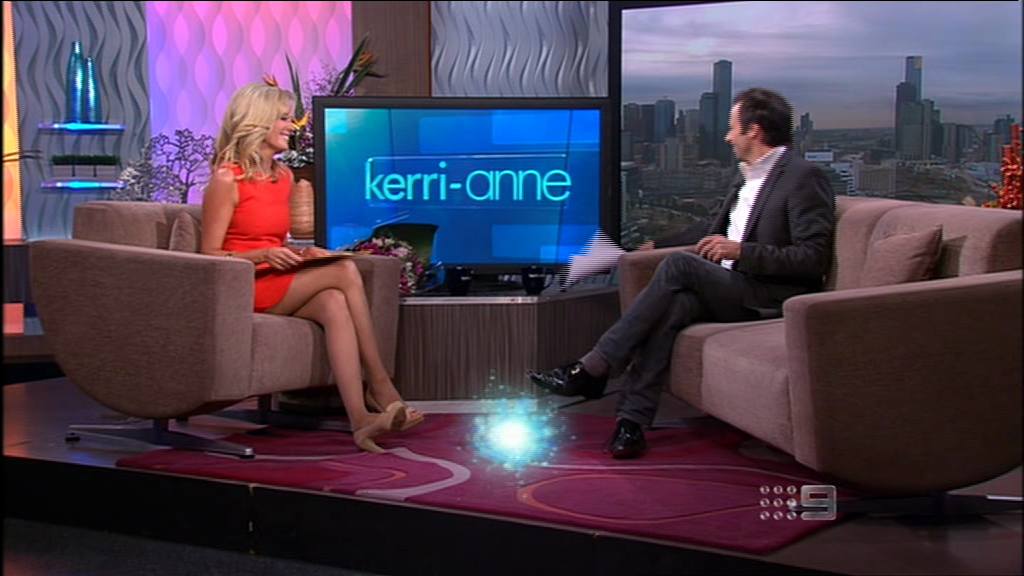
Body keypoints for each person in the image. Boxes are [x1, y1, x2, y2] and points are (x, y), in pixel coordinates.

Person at [529, 88, 834, 459]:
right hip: (731, 286)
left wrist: (742, 251)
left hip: (770, 295)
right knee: (676, 306)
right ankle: (630, 423)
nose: (727, 137)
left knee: (680, 265)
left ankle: (593, 367)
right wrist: (656, 244)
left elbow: (812, 259)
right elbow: (710, 228)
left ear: (753, 130)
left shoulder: (803, 177)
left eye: (732, 128)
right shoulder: (745, 177)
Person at [201, 83, 423, 453]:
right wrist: (263, 256)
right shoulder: (228, 178)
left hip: (275, 277)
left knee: (335, 301)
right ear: (258, 121)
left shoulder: (285, 177)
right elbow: (207, 255)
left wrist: (302, 253)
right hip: (243, 284)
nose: (292, 126)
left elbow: (274, 240)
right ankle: (380, 383)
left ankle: (360, 420)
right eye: (284, 119)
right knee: (344, 273)